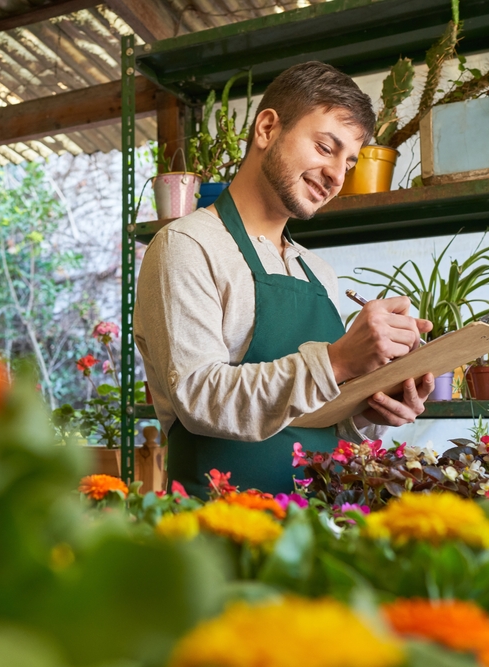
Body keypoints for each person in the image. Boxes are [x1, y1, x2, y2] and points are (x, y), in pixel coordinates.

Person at [134, 61, 435, 498]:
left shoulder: (317, 271)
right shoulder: (186, 245)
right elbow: (199, 397)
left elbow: (308, 415)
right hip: (220, 523)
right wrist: (338, 360)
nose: (337, 175)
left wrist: (370, 409)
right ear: (267, 128)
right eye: (325, 147)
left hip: (315, 518)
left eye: (349, 162)